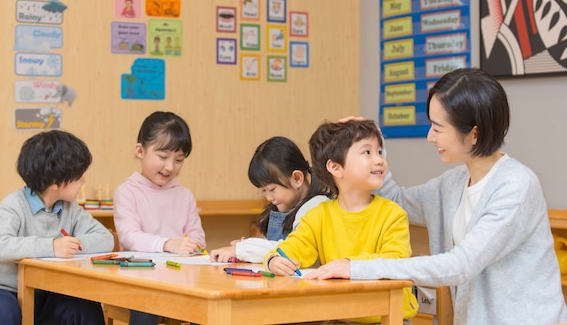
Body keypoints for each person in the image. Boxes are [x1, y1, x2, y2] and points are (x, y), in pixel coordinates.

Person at [308, 68, 567, 325]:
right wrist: (373, 141)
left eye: (438, 128)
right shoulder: (452, 184)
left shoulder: (516, 186)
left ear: (474, 134)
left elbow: (461, 264)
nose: (430, 137)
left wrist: (356, 268)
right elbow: (396, 199)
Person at [265, 119, 418, 324]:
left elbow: (395, 261)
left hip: (386, 317)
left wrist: (350, 265)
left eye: (379, 151)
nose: (380, 159)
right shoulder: (318, 216)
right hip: (338, 317)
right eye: (367, 152)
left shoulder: (393, 215)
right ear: (336, 167)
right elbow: (292, 247)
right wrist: (274, 260)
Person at [0, 130, 114, 325]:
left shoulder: (70, 208)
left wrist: (72, 246)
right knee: (4, 311)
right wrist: (51, 247)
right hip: (1, 290)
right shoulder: (13, 204)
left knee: (85, 307)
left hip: (48, 293)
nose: (83, 181)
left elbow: (105, 239)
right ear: (55, 182)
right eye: (79, 176)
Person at [113, 111, 205, 325]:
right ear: (140, 151)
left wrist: (193, 245)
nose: (170, 167)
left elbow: (197, 237)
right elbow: (129, 237)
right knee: (148, 305)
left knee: (207, 305)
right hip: (140, 282)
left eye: (179, 160)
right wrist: (168, 244)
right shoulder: (127, 192)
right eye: (163, 157)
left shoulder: (184, 196)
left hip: (180, 280)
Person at [209, 136, 332, 263]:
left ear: (297, 178)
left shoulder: (316, 207)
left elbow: (288, 250)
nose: (268, 197)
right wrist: (249, 247)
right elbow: (277, 246)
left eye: (272, 189)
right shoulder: (290, 206)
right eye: (264, 191)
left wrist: (243, 250)